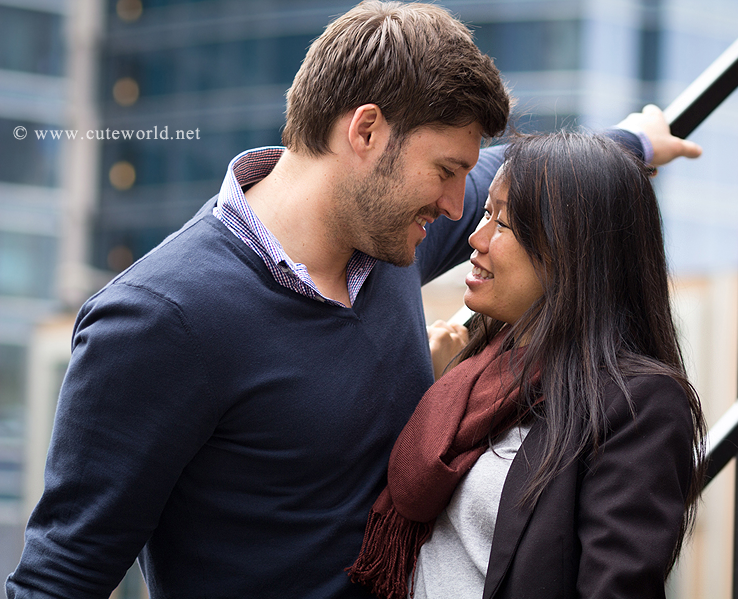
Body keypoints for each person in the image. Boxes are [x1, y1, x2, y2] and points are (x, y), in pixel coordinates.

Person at [6, 2, 701, 598]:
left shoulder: (390, 230)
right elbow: (62, 574)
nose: (459, 207)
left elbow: (545, 197)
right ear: (365, 132)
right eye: (446, 171)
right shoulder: (160, 319)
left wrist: (637, 140)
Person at [348, 132, 706, 599]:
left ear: (572, 249)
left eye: (504, 224)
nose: (475, 239)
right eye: (486, 214)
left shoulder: (637, 405)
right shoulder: (474, 371)